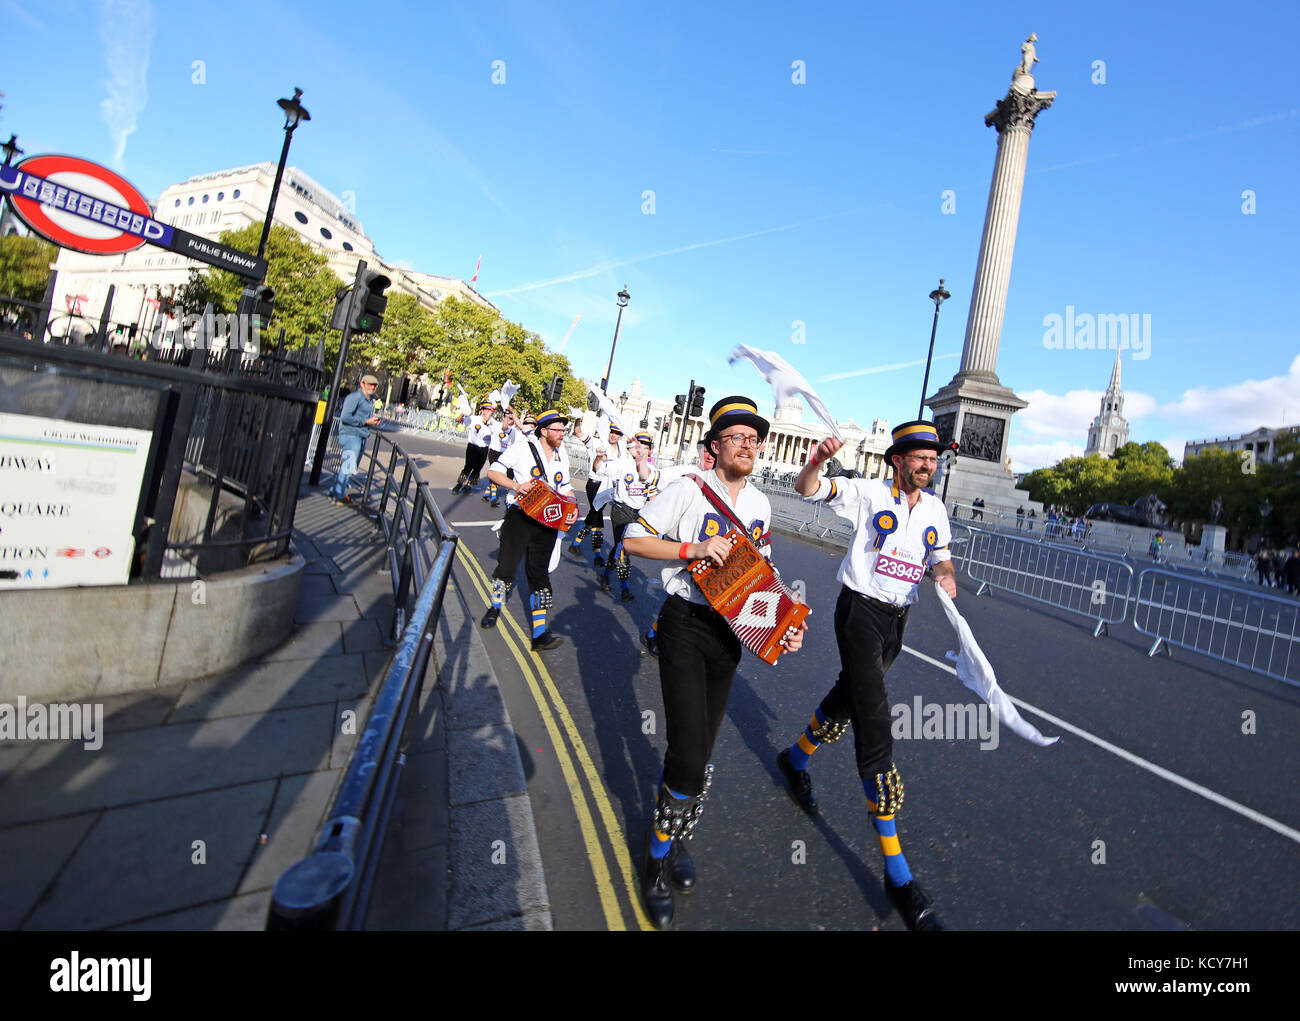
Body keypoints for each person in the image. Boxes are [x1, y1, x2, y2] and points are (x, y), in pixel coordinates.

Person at [623, 396, 807, 929]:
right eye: (736, 436)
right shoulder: (686, 489)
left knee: (701, 753)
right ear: (714, 447)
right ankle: (656, 858)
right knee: (685, 753)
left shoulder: (761, 507)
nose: (748, 444)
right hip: (684, 624)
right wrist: (691, 549)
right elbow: (634, 539)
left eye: (754, 438)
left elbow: (760, 579)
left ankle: (675, 835)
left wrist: (783, 628)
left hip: (729, 635)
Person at [774, 419, 957, 931]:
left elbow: (942, 562)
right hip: (859, 613)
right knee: (875, 725)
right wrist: (815, 461)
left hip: (898, 620)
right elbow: (808, 488)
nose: (929, 465)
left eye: (935, 458)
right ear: (897, 459)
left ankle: (794, 759)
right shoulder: (867, 493)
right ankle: (898, 875)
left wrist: (946, 583)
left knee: (849, 699)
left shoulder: (936, 510)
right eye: (920, 457)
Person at [480, 409, 578, 652]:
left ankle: (539, 633)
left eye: (563, 430)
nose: (562, 434)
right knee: (506, 566)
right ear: (544, 431)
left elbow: (565, 487)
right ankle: (495, 607)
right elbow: (493, 472)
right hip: (520, 516)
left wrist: (573, 505)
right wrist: (516, 485)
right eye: (558, 430)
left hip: (548, 522)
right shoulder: (523, 448)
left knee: (539, 574)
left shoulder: (559, 457)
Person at [641, 441, 716, 656]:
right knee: (680, 591)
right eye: (705, 452)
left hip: (709, 549)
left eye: (712, 453)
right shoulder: (687, 473)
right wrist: (640, 460)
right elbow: (651, 476)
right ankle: (654, 633)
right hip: (684, 546)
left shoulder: (723, 483)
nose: (708, 457)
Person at [595, 430, 661, 602]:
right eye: (639, 447)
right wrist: (599, 457)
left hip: (638, 514)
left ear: (650, 452)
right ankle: (624, 588)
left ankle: (606, 574)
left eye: (645, 448)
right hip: (621, 511)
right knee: (624, 547)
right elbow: (599, 469)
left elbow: (653, 495)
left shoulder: (652, 470)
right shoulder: (622, 464)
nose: (641, 451)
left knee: (621, 547)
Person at [569, 422, 625, 566]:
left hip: (607, 487)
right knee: (597, 516)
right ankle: (597, 553)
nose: (613, 435)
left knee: (592, 515)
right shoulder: (596, 442)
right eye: (612, 431)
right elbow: (579, 432)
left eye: (617, 433)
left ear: (620, 436)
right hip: (594, 484)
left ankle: (575, 543)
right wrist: (578, 419)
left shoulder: (621, 451)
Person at [329, 374, 381, 504]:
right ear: (362, 384)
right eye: (370, 384)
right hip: (351, 435)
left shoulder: (370, 400)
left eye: (374, 385)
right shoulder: (355, 397)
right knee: (348, 466)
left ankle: (335, 490)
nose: (373, 387)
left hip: (360, 435)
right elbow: (345, 417)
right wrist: (366, 421)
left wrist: (371, 421)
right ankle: (339, 495)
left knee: (350, 466)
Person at [452, 401, 496, 494]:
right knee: (467, 467)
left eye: (488, 410)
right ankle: (459, 485)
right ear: (481, 410)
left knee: (477, 469)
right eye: (484, 410)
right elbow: (458, 420)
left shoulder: (493, 423)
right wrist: (463, 414)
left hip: (484, 448)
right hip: (473, 447)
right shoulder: (474, 419)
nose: (485, 412)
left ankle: (468, 485)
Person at [483, 407, 520, 507]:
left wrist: (513, 415)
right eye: (507, 417)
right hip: (495, 452)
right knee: (496, 473)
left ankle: (487, 494)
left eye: (511, 418)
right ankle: (493, 498)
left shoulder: (515, 431)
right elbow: (486, 419)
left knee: (504, 476)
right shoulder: (496, 424)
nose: (509, 420)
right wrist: (493, 407)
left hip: (505, 455)